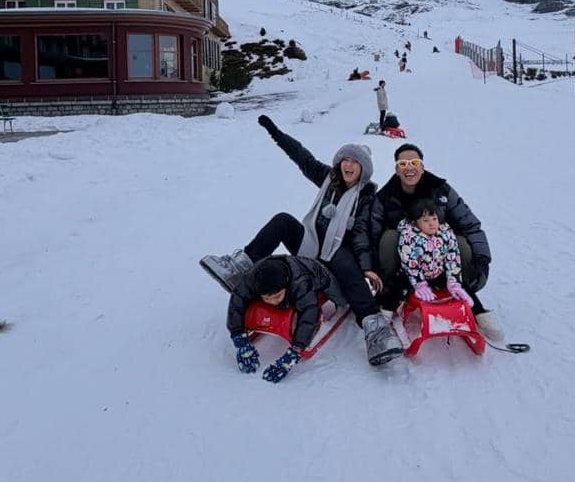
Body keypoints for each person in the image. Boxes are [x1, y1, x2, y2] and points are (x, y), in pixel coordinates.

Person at [201, 118, 401, 366]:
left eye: (355, 161)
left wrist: (368, 267)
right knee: (283, 221)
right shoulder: (329, 179)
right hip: (310, 251)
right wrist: (276, 133)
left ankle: (375, 329)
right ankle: (238, 267)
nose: (348, 165)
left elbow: (361, 237)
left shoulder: (367, 199)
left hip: (337, 270)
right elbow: (302, 157)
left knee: (340, 254)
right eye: (345, 160)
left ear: (363, 169)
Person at [355, 142, 503, 341]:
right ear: (397, 169)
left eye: (414, 162)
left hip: (442, 261)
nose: (409, 167)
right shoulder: (385, 197)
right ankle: (389, 298)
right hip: (408, 265)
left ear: (422, 167)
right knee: (389, 238)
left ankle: (476, 308)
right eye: (403, 163)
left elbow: (470, 223)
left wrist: (482, 260)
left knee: (459, 242)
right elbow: (372, 234)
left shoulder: (440, 190)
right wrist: (372, 268)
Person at [227, 255, 332, 383]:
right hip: (281, 278)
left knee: (306, 304)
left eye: (277, 296)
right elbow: (237, 299)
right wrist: (238, 335)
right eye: (266, 298)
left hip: (319, 276)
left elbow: (309, 313)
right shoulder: (251, 279)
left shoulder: (301, 283)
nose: (272, 302)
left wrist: (296, 350)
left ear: (286, 286)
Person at [396, 198, 472, 305]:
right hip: (413, 276)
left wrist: (453, 281)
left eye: (434, 219)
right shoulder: (409, 237)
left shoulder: (445, 233)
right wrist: (419, 284)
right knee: (396, 288)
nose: (431, 224)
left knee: (463, 288)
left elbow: (453, 258)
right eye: (426, 221)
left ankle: (478, 312)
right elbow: (409, 263)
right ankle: (389, 312)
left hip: (438, 274)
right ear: (415, 223)